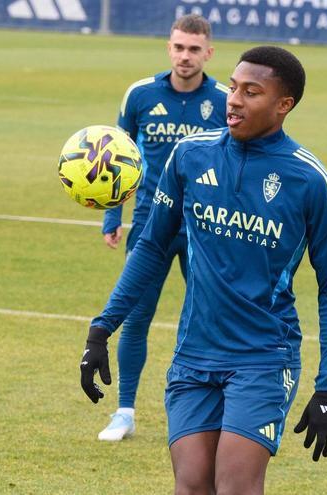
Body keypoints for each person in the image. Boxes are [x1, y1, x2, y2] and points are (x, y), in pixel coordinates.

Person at [80, 46, 327, 494]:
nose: (234, 99)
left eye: (252, 92)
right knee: (192, 487)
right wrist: (101, 328)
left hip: (262, 358)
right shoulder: (189, 156)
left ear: (284, 105)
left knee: (236, 488)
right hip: (193, 357)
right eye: (235, 86)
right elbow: (150, 246)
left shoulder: (309, 180)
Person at [96, 14, 228, 442]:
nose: (185, 56)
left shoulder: (226, 100)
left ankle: (214, 410)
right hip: (151, 226)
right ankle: (125, 412)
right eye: (178, 47)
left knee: (210, 318)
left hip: (205, 231)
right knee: (136, 318)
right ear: (168, 48)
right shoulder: (140, 94)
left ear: (209, 52)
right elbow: (117, 156)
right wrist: (113, 217)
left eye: (194, 49)